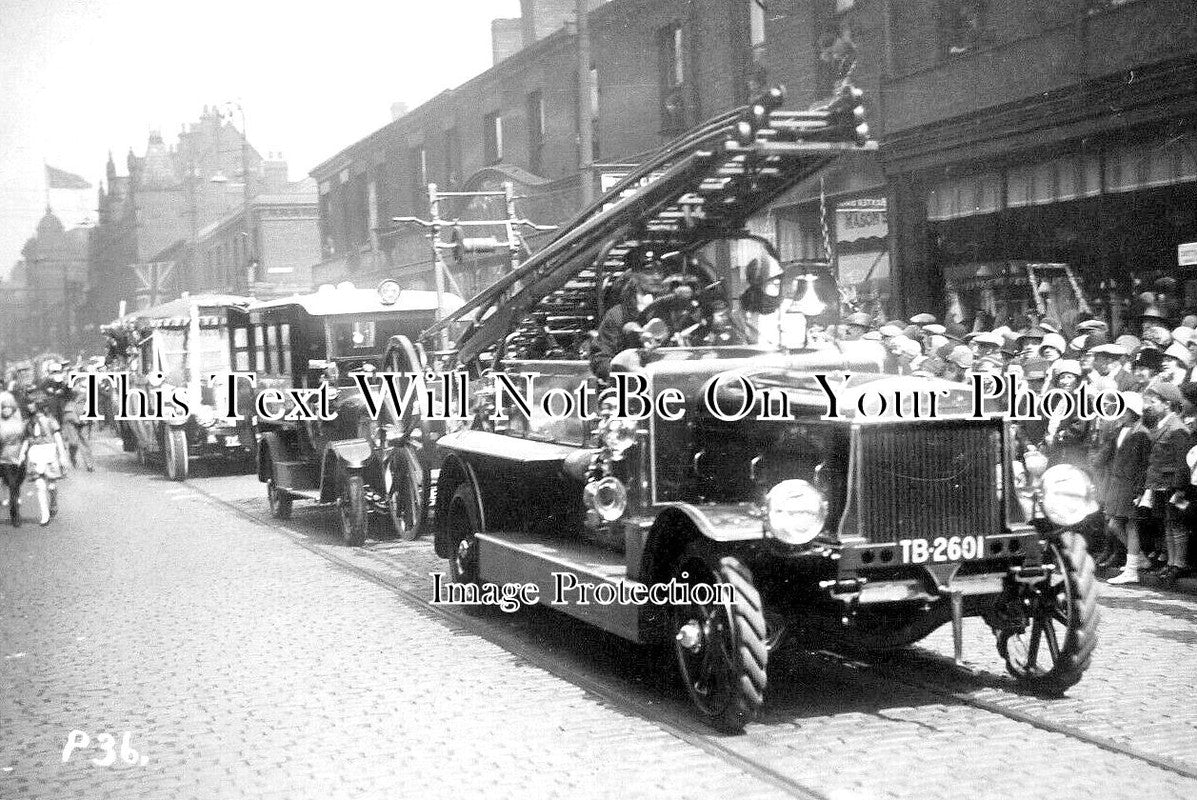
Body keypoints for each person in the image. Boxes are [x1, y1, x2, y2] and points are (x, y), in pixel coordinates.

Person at [1109, 382, 1192, 585]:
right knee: (1167, 524)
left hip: (1171, 484)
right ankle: (1171, 564)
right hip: (1158, 484)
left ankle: (1178, 564)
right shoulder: (1160, 425)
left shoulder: (1177, 429)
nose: (1149, 406)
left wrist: (1180, 488)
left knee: (1176, 525)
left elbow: (1182, 462)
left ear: (1167, 404)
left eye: (1153, 402)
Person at [1093, 392, 1150, 572]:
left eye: (1124, 409)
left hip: (1130, 484)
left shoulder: (1142, 434)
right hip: (1117, 484)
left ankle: (1133, 565)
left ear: (1133, 412)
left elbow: (1143, 464)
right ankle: (1138, 557)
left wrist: (1139, 489)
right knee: (1114, 524)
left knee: (1130, 524)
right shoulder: (1119, 430)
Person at [590, 272, 660, 381]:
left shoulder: (658, 314)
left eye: (653, 294)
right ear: (631, 294)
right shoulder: (616, 316)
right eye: (644, 293)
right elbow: (600, 358)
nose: (650, 298)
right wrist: (621, 375)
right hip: (626, 385)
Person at [19, 393, 70, 526]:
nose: (30, 406)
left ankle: (53, 502)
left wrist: (63, 456)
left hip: (49, 452)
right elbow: (26, 440)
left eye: (33, 404)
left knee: (51, 485)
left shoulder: (50, 420)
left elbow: (57, 437)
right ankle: (44, 514)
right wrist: (22, 454)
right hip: (35, 454)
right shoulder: (27, 423)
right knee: (39, 485)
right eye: (28, 404)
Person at [0, 392, 27, 527]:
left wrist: (22, 454)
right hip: (4, 459)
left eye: (8, 408)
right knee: (12, 485)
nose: (5, 410)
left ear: (12, 409)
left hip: (19, 458)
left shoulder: (20, 423)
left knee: (17, 484)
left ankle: (14, 506)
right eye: (3, 408)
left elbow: (26, 439)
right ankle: (15, 514)